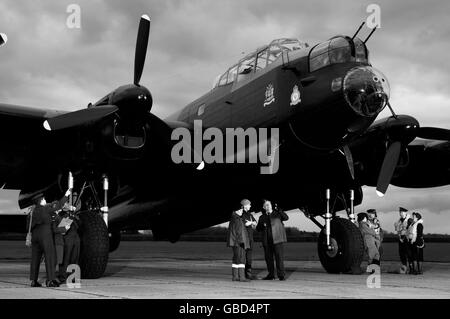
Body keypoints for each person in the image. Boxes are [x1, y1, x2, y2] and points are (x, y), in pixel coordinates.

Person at [29, 189, 71, 287]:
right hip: (45, 235)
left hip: (35, 236)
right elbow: (59, 205)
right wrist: (66, 195)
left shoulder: (32, 210)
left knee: (35, 259)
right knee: (50, 257)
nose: (45, 200)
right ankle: (50, 280)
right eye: (43, 199)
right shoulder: (45, 209)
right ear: (40, 201)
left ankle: (33, 281)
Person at [256, 199, 289, 281]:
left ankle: (281, 275)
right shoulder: (261, 217)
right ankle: (271, 275)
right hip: (267, 241)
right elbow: (258, 229)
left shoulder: (277, 214)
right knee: (269, 259)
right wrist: (262, 226)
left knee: (279, 258)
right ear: (263, 207)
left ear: (271, 206)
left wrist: (279, 210)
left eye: (268, 204)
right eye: (266, 205)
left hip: (277, 240)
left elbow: (286, 218)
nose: (267, 206)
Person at [227, 205, 251, 282]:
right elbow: (238, 232)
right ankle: (242, 277)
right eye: (240, 210)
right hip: (239, 243)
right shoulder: (237, 219)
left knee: (236, 259)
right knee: (241, 259)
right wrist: (241, 242)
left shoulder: (234, 218)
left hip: (235, 243)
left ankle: (235, 276)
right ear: (236, 211)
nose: (241, 211)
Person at [240, 199, 257, 280]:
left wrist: (251, 222)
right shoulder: (241, 215)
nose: (250, 206)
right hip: (243, 239)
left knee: (249, 256)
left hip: (250, 239)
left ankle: (248, 273)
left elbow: (255, 223)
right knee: (243, 256)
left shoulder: (250, 214)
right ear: (244, 205)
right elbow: (245, 224)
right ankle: (242, 273)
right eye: (249, 204)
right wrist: (251, 223)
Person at [394, 207, 411, 273]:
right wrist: (400, 237)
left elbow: (409, 230)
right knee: (401, 253)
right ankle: (404, 267)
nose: (400, 213)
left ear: (405, 212)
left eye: (401, 212)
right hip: (400, 238)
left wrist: (404, 238)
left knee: (408, 252)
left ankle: (410, 267)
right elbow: (397, 230)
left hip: (407, 238)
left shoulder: (409, 220)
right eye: (400, 212)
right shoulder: (399, 220)